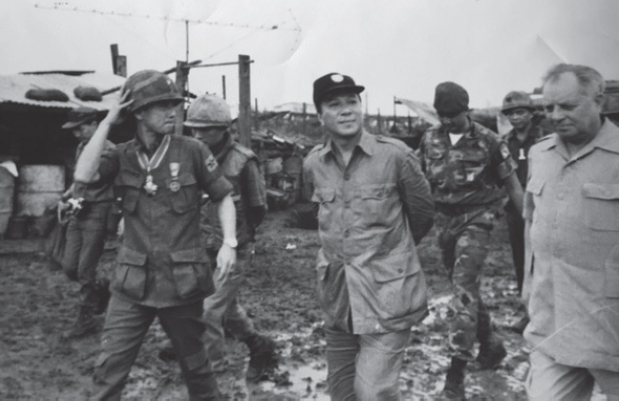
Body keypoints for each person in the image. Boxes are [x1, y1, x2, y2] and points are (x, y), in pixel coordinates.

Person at [73, 70, 237, 400]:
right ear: (138, 113)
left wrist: (229, 242)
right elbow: (83, 174)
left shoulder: (191, 150)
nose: (173, 112)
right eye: (162, 106)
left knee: (197, 370)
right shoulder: (120, 155)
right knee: (108, 372)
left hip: (182, 284)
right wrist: (106, 123)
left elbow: (223, 197)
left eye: (175, 105)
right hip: (131, 286)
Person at [302, 72, 435, 400]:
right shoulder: (313, 163)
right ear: (320, 115)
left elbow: (422, 214)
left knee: (373, 392)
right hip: (338, 297)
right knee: (342, 393)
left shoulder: (395, 156)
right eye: (335, 104)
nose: (346, 110)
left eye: (352, 102)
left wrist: (390, 256)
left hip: (387, 294)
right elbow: (315, 213)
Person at [417, 81, 523, 400]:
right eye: (441, 114)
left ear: (467, 111)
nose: (446, 120)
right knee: (467, 290)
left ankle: (455, 375)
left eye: (452, 114)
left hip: (477, 219)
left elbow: (513, 185)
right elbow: (417, 179)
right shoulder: (429, 138)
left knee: (462, 293)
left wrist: (532, 225)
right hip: (444, 221)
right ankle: (490, 344)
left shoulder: (490, 141)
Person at [523, 63, 619, 400]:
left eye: (567, 106)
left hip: (611, 326)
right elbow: (531, 223)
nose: (556, 115)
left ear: (599, 101)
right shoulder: (540, 154)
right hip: (554, 323)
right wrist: (527, 283)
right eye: (548, 107)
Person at [184, 94, 276, 382]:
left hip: (234, 249)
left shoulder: (243, 162)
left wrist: (239, 238)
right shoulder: (189, 157)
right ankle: (258, 345)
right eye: (193, 129)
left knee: (209, 310)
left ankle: (213, 372)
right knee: (227, 308)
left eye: (206, 129)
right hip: (199, 247)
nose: (198, 135)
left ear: (224, 128)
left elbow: (258, 208)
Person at [59, 106, 114, 338]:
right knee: (69, 266)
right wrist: (66, 195)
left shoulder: (108, 151)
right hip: (78, 210)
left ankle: (86, 318)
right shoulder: (82, 147)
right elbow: (80, 178)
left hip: (97, 211)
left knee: (84, 269)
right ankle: (101, 289)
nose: (77, 133)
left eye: (80, 128)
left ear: (94, 124)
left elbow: (94, 176)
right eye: (74, 130)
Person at [500, 91, 544, 334]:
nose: (516, 118)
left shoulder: (544, 139)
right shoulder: (506, 142)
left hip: (543, 207)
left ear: (531, 114)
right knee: (521, 259)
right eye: (511, 114)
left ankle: (546, 312)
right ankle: (528, 312)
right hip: (516, 211)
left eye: (520, 112)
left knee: (543, 260)